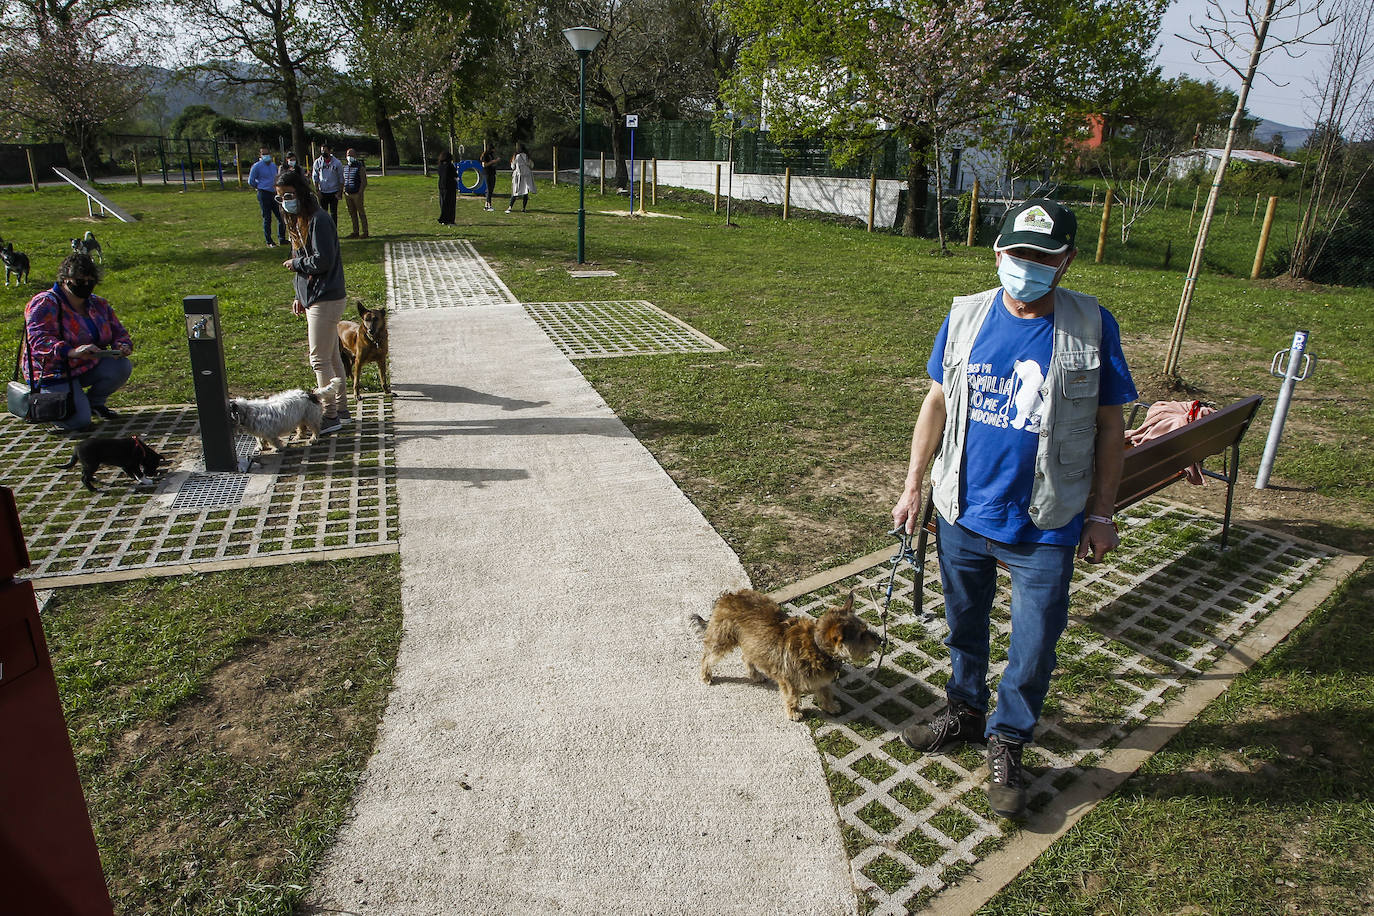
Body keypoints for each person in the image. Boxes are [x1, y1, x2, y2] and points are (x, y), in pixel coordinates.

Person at [890, 199, 1136, 820]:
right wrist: (914, 485)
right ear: (999, 254)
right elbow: (937, 403)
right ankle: (965, 711)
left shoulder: (1091, 324)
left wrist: (1102, 514)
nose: (1025, 268)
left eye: (1041, 259)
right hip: (962, 512)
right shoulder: (967, 316)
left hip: (1046, 523)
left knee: (1033, 645)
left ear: (1067, 261)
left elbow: (1112, 428)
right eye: (1016, 255)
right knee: (963, 625)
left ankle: (1009, 738)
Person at [20, 253, 134, 433]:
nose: (86, 285)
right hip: (53, 372)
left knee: (121, 366)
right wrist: (70, 351)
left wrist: (122, 345)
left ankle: (94, 403)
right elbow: (38, 341)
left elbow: (118, 331)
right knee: (79, 423)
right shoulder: (44, 303)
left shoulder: (98, 304)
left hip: (85, 365)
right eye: (79, 281)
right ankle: (48, 404)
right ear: (65, 279)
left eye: (91, 281)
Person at [275, 166, 348, 431]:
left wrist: (297, 264)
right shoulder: (298, 221)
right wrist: (299, 294)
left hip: (326, 297)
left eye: (289, 195)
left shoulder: (319, 219)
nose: (285, 201)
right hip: (315, 295)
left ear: (303, 193)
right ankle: (340, 409)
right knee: (331, 357)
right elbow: (305, 262)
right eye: (281, 197)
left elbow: (322, 260)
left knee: (319, 359)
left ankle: (329, 416)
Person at [247, 147, 287, 247]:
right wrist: (259, 187)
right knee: (267, 218)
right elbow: (251, 181)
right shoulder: (257, 166)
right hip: (264, 193)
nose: (266, 156)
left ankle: (282, 238)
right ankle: (269, 241)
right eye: (264, 154)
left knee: (281, 216)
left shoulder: (273, 166)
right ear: (260, 155)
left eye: (267, 153)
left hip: (274, 193)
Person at [312, 144, 344, 224]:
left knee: (333, 213)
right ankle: (324, 231)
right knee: (323, 213)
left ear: (330, 151)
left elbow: (341, 178)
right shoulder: (317, 162)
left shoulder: (337, 163)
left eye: (325, 151)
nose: (323, 153)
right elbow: (315, 177)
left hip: (334, 192)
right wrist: (317, 190)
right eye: (322, 151)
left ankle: (333, 232)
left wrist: (340, 192)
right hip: (323, 192)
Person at [342, 147, 369, 239]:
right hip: (348, 194)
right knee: (352, 213)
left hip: (357, 193)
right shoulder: (345, 167)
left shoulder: (359, 167)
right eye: (348, 155)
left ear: (355, 156)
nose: (349, 157)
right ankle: (355, 231)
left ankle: (365, 231)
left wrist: (360, 192)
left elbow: (364, 181)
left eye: (351, 155)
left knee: (361, 213)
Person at [506, 143, 534, 213]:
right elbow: (531, 165)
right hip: (527, 175)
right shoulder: (527, 156)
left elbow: (513, 167)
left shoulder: (516, 156)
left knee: (515, 191)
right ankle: (524, 208)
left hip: (518, 175)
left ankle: (510, 207)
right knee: (525, 192)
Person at [437, 150, 456, 225]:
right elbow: (455, 175)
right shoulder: (450, 166)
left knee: (443, 203)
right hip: (450, 186)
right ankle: (450, 220)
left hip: (441, 186)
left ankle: (443, 218)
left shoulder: (440, 166)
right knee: (451, 204)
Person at [479, 143, 499, 212]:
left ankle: (486, 205)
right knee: (489, 189)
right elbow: (484, 165)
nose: (494, 150)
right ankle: (489, 205)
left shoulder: (491, 155)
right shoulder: (485, 155)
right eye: (493, 149)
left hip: (492, 173)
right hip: (487, 173)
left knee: (491, 189)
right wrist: (493, 161)